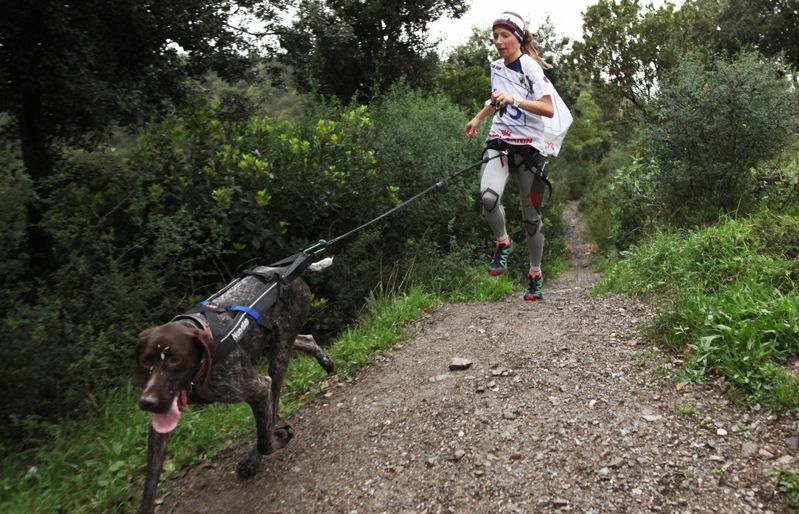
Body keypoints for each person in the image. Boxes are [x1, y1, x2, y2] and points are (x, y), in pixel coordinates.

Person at [464, 11, 559, 302]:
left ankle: (535, 273)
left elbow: (548, 109)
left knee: (531, 217)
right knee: (489, 197)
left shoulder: (529, 67)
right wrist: (479, 118)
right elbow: (497, 98)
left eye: (504, 36)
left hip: (530, 147)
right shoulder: (496, 67)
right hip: (500, 140)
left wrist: (516, 99)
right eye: (495, 36)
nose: (498, 41)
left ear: (517, 38)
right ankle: (503, 241)